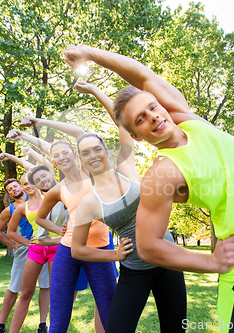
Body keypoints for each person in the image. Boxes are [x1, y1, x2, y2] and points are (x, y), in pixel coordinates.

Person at [64, 45, 234, 332]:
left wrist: (91, 54)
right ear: (136, 136)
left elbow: (143, 75)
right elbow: (147, 245)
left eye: (152, 107)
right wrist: (212, 261)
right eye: (140, 119)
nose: (153, 117)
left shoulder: (189, 120)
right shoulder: (162, 174)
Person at [70, 82, 187, 332]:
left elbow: (121, 120)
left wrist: (94, 90)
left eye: (96, 149)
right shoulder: (89, 202)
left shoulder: (125, 168)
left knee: (175, 328)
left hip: (168, 259)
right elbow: (77, 250)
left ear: (105, 151)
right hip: (134, 269)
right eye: (85, 153)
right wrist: (114, 255)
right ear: (81, 161)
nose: (92, 155)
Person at [30, 95, 118, 333]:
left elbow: (79, 132)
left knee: (110, 313)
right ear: (53, 161)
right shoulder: (56, 190)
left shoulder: (92, 173)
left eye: (66, 151)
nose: (62, 157)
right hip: (67, 253)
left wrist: (38, 121)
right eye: (56, 155)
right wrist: (61, 231)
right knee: (58, 319)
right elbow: (40, 218)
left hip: (100, 250)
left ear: (75, 153)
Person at [0, 178, 50, 333]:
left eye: (15, 186)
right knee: (15, 287)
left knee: (46, 285)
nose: (14, 189)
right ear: (9, 194)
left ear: (22, 185)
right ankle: (0, 325)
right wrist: (16, 244)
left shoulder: (41, 199)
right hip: (26, 249)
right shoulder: (10, 209)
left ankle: (43, 324)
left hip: (46, 245)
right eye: (10, 189)